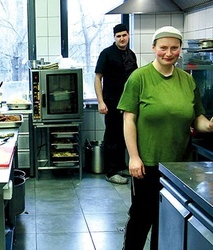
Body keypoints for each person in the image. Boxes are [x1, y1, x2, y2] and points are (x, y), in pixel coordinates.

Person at [118, 26, 213, 250]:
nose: (168, 53)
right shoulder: (139, 78)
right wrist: (134, 157)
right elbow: (128, 119)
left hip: (179, 165)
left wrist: (209, 125)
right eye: (163, 48)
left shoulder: (188, 81)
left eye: (174, 48)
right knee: (141, 218)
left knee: (169, 218)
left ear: (180, 49)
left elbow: (196, 119)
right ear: (154, 48)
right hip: (147, 164)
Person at [94, 23, 138, 184]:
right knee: (112, 137)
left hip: (129, 104)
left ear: (128, 36)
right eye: (118, 36)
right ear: (114, 38)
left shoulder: (131, 55)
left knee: (125, 136)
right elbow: (98, 78)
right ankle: (111, 172)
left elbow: (136, 80)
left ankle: (120, 166)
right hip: (111, 103)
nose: (122, 38)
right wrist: (100, 102)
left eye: (124, 35)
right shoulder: (106, 54)